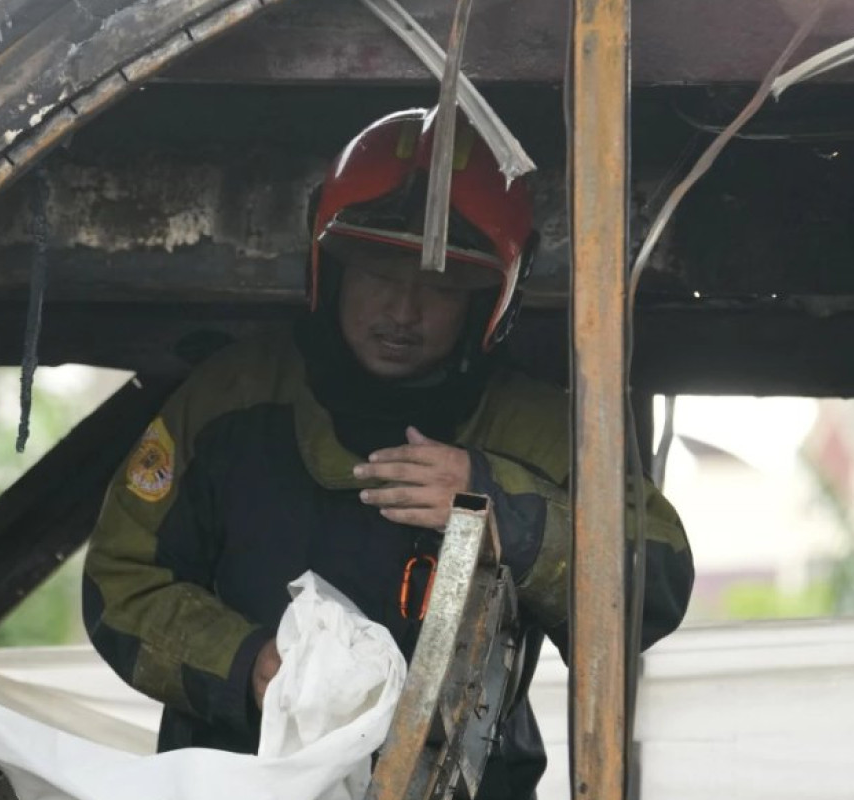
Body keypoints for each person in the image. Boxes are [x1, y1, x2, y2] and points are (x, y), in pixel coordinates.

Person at [81, 109, 695, 798]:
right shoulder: (231, 398)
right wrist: (249, 664)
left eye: (439, 287)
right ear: (331, 268)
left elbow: (658, 582)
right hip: (245, 779)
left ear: (492, 298)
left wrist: (507, 513)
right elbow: (120, 581)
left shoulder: (537, 429)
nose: (403, 312)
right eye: (378, 273)